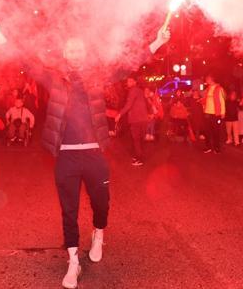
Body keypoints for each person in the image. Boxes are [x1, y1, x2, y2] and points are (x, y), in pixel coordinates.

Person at [24, 27, 169, 289]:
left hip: (93, 152)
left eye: (79, 49)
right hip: (66, 156)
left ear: (85, 53)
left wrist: (157, 42)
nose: (75, 54)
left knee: (101, 204)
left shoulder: (97, 76)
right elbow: (26, 61)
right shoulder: (54, 77)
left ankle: (98, 233)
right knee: (68, 211)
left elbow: (128, 65)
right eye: (71, 50)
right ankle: (73, 261)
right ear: (65, 54)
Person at [116, 76, 150, 166]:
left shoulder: (133, 91)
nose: (128, 83)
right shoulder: (139, 90)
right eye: (127, 81)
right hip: (143, 119)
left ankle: (140, 159)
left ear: (134, 82)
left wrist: (120, 114)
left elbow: (128, 105)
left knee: (136, 140)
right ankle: (138, 156)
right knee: (139, 139)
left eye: (130, 81)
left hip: (136, 119)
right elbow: (145, 103)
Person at [202, 73, 225, 154]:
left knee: (216, 131)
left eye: (207, 79)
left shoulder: (219, 89)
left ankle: (216, 147)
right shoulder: (207, 89)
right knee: (207, 131)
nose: (206, 80)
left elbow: (222, 101)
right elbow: (205, 99)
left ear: (211, 79)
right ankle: (208, 147)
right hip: (207, 113)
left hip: (216, 114)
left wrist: (223, 112)